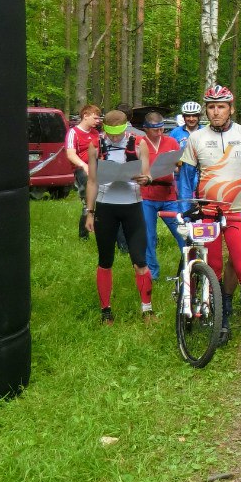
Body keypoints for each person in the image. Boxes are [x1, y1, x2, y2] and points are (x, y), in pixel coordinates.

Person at [178, 85, 241, 352]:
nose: (216, 112)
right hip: (207, 214)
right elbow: (185, 179)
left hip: (236, 212)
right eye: (211, 107)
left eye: (221, 106)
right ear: (206, 110)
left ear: (231, 108)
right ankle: (221, 325)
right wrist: (185, 214)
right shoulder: (196, 138)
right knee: (214, 268)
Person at [83, 110, 153, 324]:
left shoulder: (139, 143)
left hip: (132, 206)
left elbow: (147, 174)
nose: (114, 137)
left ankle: (147, 309)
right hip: (106, 208)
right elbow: (92, 181)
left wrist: (145, 179)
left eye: (118, 133)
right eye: (110, 133)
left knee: (140, 260)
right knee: (105, 260)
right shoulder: (96, 145)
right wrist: (89, 212)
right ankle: (106, 310)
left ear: (125, 128)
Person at [138, 111, 183, 282]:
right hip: (147, 195)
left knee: (182, 231)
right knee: (148, 235)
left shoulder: (171, 142)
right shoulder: (140, 142)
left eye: (162, 129)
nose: (159, 133)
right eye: (155, 130)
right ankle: (152, 273)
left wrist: (174, 167)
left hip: (168, 195)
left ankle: (189, 268)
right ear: (146, 129)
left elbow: (179, 166)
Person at [66, 103, 101, 239]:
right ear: (85, 116)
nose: (98, 121)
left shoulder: (95, 133)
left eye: (99, 118)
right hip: (82, 170)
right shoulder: (73, 132)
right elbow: (70, 154)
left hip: (97, 168)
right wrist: (84, 165)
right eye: (95, 118)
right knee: (89, 201)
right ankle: (83, 236)